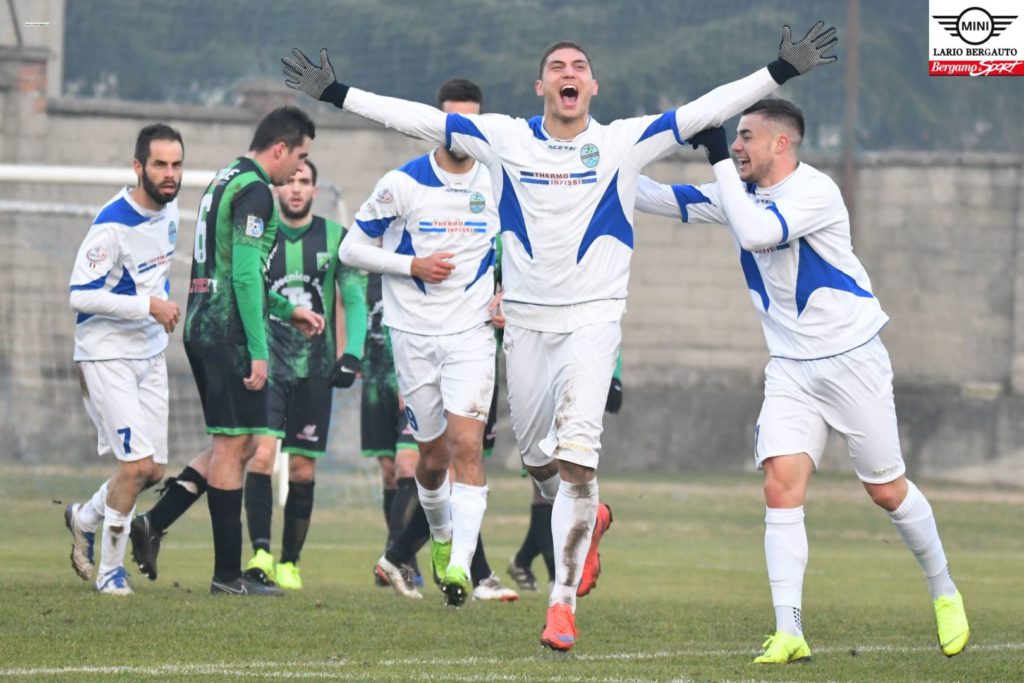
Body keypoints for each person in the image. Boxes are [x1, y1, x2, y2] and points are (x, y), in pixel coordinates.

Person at [283, 20, 837, 650]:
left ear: (593, 86)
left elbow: (707, 108)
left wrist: (779, 70)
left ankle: (562, 603)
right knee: (537, 463)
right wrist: (337, 93)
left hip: (593, 321)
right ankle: (590, 517)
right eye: (558, 67)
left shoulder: (624, 143)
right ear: (540, 84)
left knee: (577, 457)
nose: (568, 73)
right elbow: (418, 121)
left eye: (579, 66)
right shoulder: (504, 139)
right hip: (524, 324)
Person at [634, 98, 970, 661]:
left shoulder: (815, 191)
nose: (735, 146)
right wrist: (598, 166)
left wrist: (716, 158)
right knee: (779, 486)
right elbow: (659, 197)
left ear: (780, 144)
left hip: (852, 360)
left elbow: (758, 235)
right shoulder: (739, 195)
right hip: (790, 369)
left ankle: (944, 590)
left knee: (885, 490)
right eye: (732, 138)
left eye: (745, 137)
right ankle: (789, 630)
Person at [132, 106, 323, 596]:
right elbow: (242, 274)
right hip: (227, 332)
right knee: (235, 447)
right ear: (279, 149)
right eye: (299, 157)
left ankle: (155, 523)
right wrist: (259, 350)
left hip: (206, 324)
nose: (296, 171)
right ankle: (226, 576)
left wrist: (287, 308)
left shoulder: (225, 178)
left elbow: (237, 268)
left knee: (233, 444)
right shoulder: (257, 189)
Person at [338, 78, 504, 607]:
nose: (460, 132)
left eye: (469, 122)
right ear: (436, 123)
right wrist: (411, 264)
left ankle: (460, 566)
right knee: (430, 458)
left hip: (472, 334)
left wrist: (508, 294)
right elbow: (350, 250)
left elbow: (526, 246)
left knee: (467, 445)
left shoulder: (500, 183)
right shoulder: (402, 184)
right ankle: (439, 539)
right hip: (413, 337)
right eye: (451, 121)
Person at [64, 123, 185, 595]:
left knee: (151, 470)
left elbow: (154, 278)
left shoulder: (171, 213)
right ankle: (111, 573)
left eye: (176, 164)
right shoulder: (111, 225)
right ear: (139, 168)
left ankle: (85, 516)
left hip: (150, 355)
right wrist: (148, 307)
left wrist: (160, 310)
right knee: (135, 468)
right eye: (160, 164)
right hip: (106, 356)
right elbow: (79, 294)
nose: (170, 173)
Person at [240, 159, 368, 591]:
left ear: (316, 189)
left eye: (305, 182)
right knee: (261, 456)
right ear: (278, 188)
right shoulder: (260, 236)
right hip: (269, 367)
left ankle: (290, 562)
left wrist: (352, 354)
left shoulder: (336, 238)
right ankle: (259, 552)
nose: (296, 189)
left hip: (315, 372)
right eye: (290, 181)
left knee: (302, 471)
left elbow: (352, 297)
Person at [508, 353, 622, 592]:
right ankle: (588, 520)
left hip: (574, 373)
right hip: (535, 369)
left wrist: (614, 376)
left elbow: (605, 323)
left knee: (569, 470)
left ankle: (557, 578)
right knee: (542, 473)